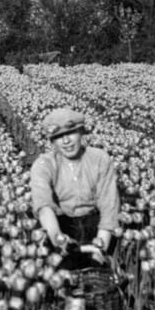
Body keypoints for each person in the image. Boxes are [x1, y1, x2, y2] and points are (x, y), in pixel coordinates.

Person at [29, 109, 119, 256]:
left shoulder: (99, 159)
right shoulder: (44, 164)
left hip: (95, 225)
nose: (66, 141)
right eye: (58, 136)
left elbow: (109, 205)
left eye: (70, 133)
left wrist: (100, 247)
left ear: (81, 132)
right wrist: (60, 240)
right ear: (52, 141)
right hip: (60, 226)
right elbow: (44, 206)